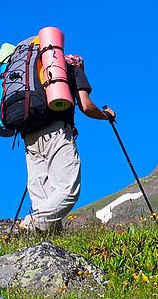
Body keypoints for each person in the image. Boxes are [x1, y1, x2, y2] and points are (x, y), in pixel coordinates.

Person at [20, 53, 114, 234]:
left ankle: (47, 244)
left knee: (43, 197)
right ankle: (30, 224)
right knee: (68, 189)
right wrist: (106, 115)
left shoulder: (38, 75)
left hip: (29, 136)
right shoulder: (74, 69)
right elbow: (86, 106)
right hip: (56, 132)